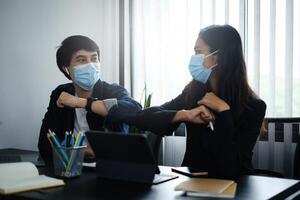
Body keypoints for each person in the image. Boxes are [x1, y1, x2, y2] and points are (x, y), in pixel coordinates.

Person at [135, 25, 266, 179]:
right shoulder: (193, 93)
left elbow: (230, 166)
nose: (194, 57)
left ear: (219, 56)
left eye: (198, 51)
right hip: (192, 182)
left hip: (236, 186)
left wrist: (223, 111)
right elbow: (142, 118)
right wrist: (184, 115)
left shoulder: (254, 107)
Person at [38, 35, 141, 162]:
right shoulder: (61, 94)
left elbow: (135, 111)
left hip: (110, 168)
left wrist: (81, 102)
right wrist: (81, 151)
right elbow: (45, 146)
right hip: (71, 167)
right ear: (66, 68)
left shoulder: (113, 91)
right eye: (81, 60)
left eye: (94, 58)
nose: (90, 65)